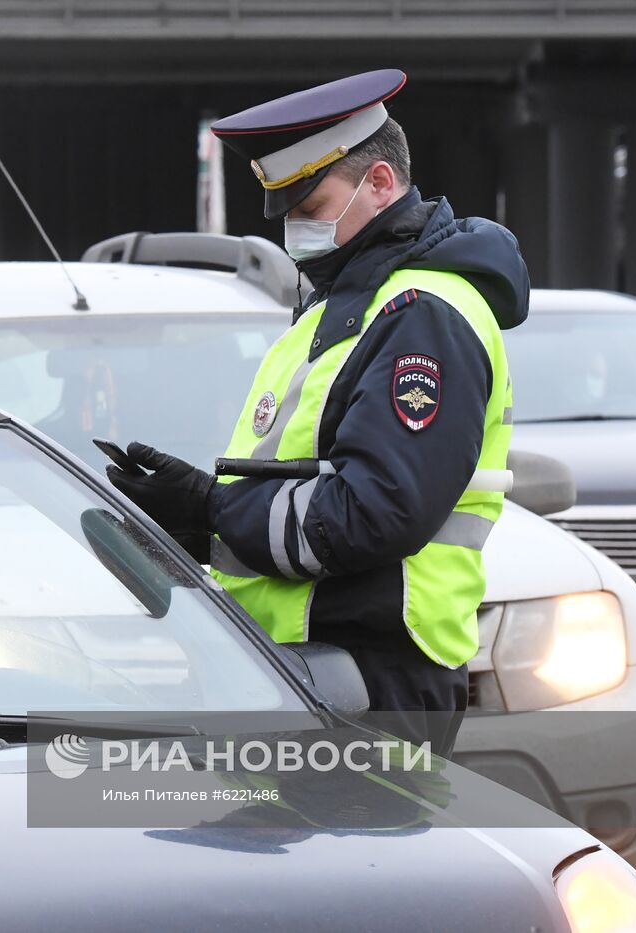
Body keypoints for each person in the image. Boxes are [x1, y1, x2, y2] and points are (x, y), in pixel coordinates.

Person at [106, 70, 528, 740]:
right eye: (287, 214)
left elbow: (373, 512)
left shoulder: (422, 313)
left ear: (381, 183)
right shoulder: (340, 307)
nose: (297, 228)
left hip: (374, 677)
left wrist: (212, 507)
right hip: (309, 669)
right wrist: (194, 522)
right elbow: (304, 480)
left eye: (311, 207)